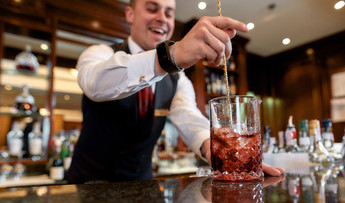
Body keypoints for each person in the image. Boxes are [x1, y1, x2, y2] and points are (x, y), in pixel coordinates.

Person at [67, 0, 285, 183]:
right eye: (152, 9)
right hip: (90, 187)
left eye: (169, 13)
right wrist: (169, 56)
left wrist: (221, 153)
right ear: (130, 13)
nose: (162, 18)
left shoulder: (176, 78)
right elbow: (94, 84)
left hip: (142, 189)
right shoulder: (98, 54)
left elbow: (189, 118)